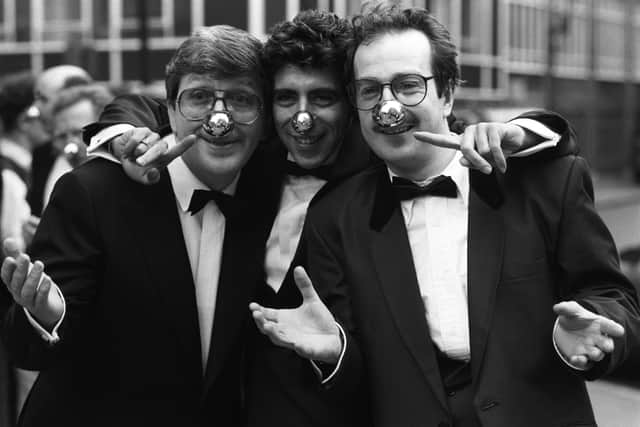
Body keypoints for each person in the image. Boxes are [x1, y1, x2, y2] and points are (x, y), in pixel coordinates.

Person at [249, 5, 640, 427]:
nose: (388, 107)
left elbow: (611, 297)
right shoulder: (334, 216)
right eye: (370, 91)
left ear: (448, 93)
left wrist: (589, 336)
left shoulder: (542, 180)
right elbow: (358, 374)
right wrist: (336, 353)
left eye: (407, 86)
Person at [1, 25, 278, 427]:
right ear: (170, 108)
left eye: (241, 99)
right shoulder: (95, 193)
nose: (221, 119)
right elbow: (25, 351)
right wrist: (44, 314)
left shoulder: (270, 195)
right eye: (199, 98)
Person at [44, 84, 114, 206]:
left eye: (78, 133)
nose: (71, 144)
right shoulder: (48, 172)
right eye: (61, 136)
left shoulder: (133, 173)